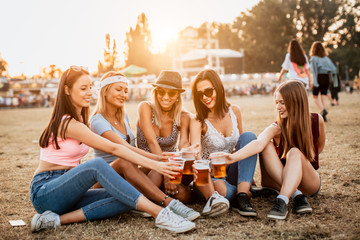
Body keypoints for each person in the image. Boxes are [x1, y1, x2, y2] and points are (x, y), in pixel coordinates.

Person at [29, 66, 196, 234]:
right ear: (67, 90)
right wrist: (157, 162)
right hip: (46, 191)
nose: (89, 92)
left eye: (90, 87)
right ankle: (161, 214)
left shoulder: (80, 120)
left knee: (127, 196)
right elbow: (115, 148)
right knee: (97, 164)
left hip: (70, 192)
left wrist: (160, 160)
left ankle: (53, 220)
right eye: (83, 88)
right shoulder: (67, 123)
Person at [90, 71, 200, 220]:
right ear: (105, 90)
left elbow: (183, 143)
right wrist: (160, 161)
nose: (123, 94)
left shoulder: (122, 116)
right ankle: (166, 203)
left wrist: (177, 157)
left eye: (125, 90)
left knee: (185, 194)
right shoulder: (97, 121)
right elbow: (124, 149)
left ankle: (144, 200)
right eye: (118, 89)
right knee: (128, 160)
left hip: (133, 172)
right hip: (107, 176)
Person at [222, 80, 325, 220]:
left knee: (294, 153)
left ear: (296, 101)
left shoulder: (316, 120)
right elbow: (258, 143)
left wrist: (297, 163)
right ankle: (295, 195)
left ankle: (281, 200)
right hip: (280, 180)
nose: (278, 107)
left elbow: (318, 148)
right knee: (266, 145)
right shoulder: (277, 127)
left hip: (309, 182)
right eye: (276, 102)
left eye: (282, 103)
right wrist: (232, 157)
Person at [189, 69, 258, 217]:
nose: (205, 97)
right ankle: (243, 190)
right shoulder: (198, 121)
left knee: (249, 137)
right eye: (200, 94)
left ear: (218, 88)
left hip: (230, 170)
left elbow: (240, 148)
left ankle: (242, 195)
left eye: (208, 91)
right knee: (221, 189)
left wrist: (242, 169)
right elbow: (196, 154)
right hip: (209, 177)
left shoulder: (235, 111)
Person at [136, 70, 193, 202]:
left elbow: (183, 144)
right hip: (148, 166)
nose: (166, 97)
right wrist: (166, 173)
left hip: (171, 166)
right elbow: (152, 142)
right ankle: (148, 197)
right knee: (157, 174)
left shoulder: (183, 116)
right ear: (155, 92)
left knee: (185, 196)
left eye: (172, 93)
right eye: (161, 91)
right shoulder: (145, 107)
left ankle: (155, 194)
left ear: (178, 95)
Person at [309, 41, 338, 122]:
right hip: (326, 77)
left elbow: (314, 71)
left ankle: (323, 110)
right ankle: (324, 114)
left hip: (318, 77)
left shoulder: (314, 58)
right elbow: (334, 69)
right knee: (323, 96)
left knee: (315, 97)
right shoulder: (326, 59)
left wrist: (315, 82)